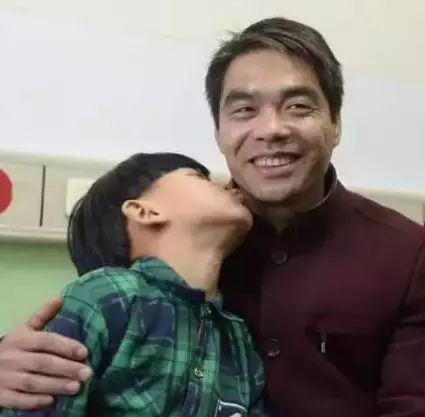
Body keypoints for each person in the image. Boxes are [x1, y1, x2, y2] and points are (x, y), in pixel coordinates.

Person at [1, 16, 425, 417]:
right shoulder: (184, 249)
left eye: (298, 106)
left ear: (335, 123)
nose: (271, 129)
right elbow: (64, 352)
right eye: (244, 110)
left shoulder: (406, 255)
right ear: (219, 133)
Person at [0, 153, 267, 417]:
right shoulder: (105, 297)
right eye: (199, 177)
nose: (227, 187)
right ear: (144, 211)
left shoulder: (237, 336)